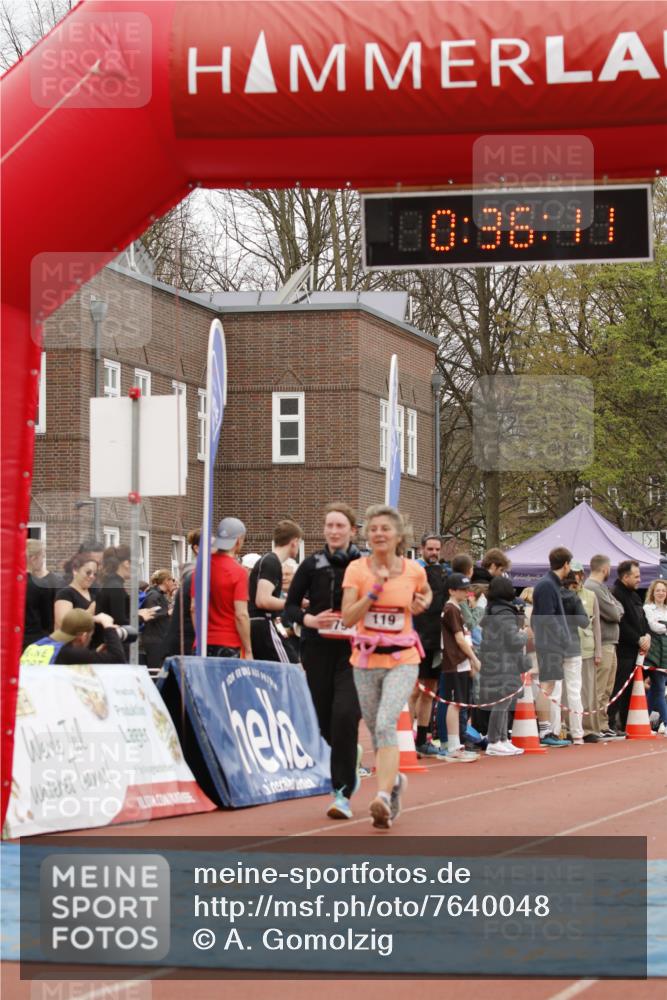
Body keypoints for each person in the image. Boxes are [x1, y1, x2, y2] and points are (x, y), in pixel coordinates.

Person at [342, 505, 431, 829]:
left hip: (403, 659)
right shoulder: (356, 569)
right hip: (366, 660)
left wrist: (423, 602)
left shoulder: (413, 570)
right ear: (367, 535)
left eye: (385, 528)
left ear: (398, 535)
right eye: (374, 529)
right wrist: (373, 592)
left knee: (384, 723)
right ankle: (394, 786)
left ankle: (380, 796)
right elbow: (348, 617)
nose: (379, 533)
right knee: (377, 731)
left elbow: (425, 594)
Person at [285, 502, 363, 820]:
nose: (333, 531)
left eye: (339, 525)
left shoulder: (364, 564)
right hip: (317, 649)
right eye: (329, 525)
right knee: (324, 722)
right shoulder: (311, 564)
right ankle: (349, 753)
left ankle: (341, 793)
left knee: (345, 714)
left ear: (352, 530)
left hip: (353, 652)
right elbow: (289, 608)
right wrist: (310, 620)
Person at [480, 575, 528, 756]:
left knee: (503, 700)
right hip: (504, 660)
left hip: (495, 659)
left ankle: (502, 739)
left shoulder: (492, 610)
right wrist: (524, 634)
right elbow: (513, 640)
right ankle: (495, 740)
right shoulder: (505, 613)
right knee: (503, 701)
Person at [409, 533, 447, 758]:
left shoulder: (442, 572)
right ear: (422, 549)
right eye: (430, 549)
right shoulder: (414, 571)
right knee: (415, 689)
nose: (434, 553)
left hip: (436, 641)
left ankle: (422, 739)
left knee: (430, 689)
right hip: (416, 638)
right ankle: (406, 738)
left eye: (437, 549)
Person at [531, 546, 574, 747]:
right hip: (549, 643)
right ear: (565, 564)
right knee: (547, 685)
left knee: (550, 685)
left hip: (550, 641)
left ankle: (546, 729)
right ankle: (545, 730)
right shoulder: (547, 585)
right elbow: (547, 617)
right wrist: (562, 638)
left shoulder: (549, 584)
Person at [248, 519, 303, 662]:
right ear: (294, 542)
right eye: (299, 543)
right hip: (263, 624)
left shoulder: (270, 561)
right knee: (292, 668)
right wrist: (294, 602)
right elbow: (262, 600)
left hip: (262, 624)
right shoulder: (271, 561)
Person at [584, 554, 626, 739]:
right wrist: (616, 610)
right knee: (600, 687)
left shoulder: (602, 587)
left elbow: (619, 607)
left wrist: (616, 610)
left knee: (608, 687)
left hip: (611, 642)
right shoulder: (593, 587)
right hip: (603, 643)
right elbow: (614, 613)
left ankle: (602, 723)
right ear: (605, 568)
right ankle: (595, 725)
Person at [440, 572, 481, 762]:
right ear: (452, 590)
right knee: (455, 703)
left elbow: (464, 637)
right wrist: (473, 658)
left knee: (458, 703)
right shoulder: (451, 609)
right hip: (455, 661)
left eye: (467, 589)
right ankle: (453, 746)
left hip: (460, 661)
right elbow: (459, 639)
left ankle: (456, 745)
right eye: (462, 589)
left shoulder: (456, 609)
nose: (466, 592)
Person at [611, 561, 651, 733]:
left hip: (637, 652)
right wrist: (638, 639)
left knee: (631, 689)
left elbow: (643, 619)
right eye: (636, 576)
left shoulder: (635, 596)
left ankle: (627, 723)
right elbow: (620, 623)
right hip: (623, 651)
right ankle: (611, 723)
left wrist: (647, 635)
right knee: (619, 688)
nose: (639, 580)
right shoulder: (615, 594)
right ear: (625, 577)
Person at [206, 517, 252, 659]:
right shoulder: (239, 572)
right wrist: (248, 649)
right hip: (229, 643)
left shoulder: (202, 569)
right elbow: (241, 615)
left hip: (203, 642)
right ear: (238, 541)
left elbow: (194, 608)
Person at [20, 608, 126, 665]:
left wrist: (95, 654)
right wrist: (108, 625)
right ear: (83, 636)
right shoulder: (68, 654)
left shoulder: (34, 646)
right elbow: (118, 658)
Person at [570, 561, 603, 743]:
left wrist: (599, 650)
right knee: (569, 692)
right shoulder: (563, 594)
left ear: (582, 575)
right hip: (568, 648)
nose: (574, 577)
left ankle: (589, 728)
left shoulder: (591, 595)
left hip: (587, 648)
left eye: (577, 573)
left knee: (588, 690)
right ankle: (568, 727)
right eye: (571, 573)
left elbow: (596, 624)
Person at [559, 570, 591, 745]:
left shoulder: (551, 596)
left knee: (555, 690)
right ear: (572, 584)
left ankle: (554, 731)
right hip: (572, 646)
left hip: (553, 645)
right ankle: (577, 732)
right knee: (574, 690)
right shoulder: (573, 598)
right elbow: (584, 622)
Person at [163, 529, 200, 659]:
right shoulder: (195, 575)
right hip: (187, 642)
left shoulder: (192, 574)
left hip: (183, 640)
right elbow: (194, 608)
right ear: (197, 548)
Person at [23, 539, 63, 648]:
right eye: (42, 557)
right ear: (33, 558)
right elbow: (47, 621)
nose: (42, 562)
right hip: (35, 641)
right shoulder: (40, 585)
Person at [644, 579, 667, 734]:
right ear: (652, 592)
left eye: (663, 590)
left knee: (656, 688)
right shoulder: (647, 608)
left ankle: (643, 721)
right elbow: (653, 626)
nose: (661, 593)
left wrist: (662, 625)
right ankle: (666, 722)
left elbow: (659, 626)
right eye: (658, 590)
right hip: (654, 653)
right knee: (659, 686)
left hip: (666, 652)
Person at [141, 570, 177, 669]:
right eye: (172, 580)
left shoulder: (159, 595)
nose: (173, 583)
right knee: (155, 670)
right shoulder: (153, 595)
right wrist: (167, 613)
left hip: (159, 639)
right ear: (166, 581)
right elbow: (150, 614)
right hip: (154, 641)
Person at [54, 554, 98, 629]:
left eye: (95, 574)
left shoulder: (94, 592)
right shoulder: (65, 594)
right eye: (88, 572)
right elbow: (64, 625)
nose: (92, 576)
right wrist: (91, 611)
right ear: (75, 570)